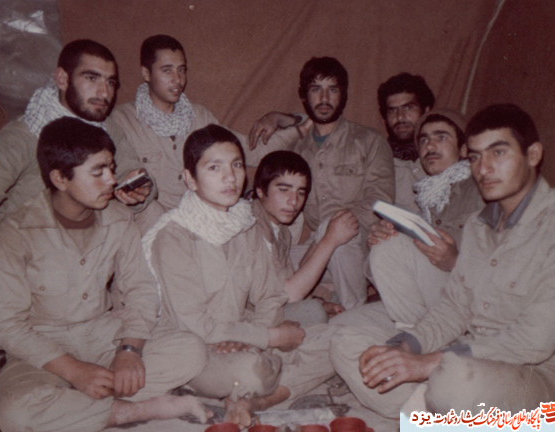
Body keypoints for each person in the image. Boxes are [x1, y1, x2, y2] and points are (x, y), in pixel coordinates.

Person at [330, 104, 555, 418]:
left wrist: (428, 363)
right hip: (480, 361)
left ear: (533, 155)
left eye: (498, 153)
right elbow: (453, 308)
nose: (484, 168)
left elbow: (533, 342)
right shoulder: (479, 225)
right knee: (349, 346)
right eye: (476, 157)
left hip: (550, 383)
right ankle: (438, 411)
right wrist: (405, 347)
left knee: (452, 380)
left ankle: (438, 408)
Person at [0, 39, 148, 432]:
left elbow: (134, 174)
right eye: (91, 78)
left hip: (83, 257)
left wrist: (138, 190)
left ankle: (94, 375)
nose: (103, 91)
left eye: (110, 81)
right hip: (21, 262)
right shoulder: (22, 136)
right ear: (61, 79)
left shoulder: (109, 131)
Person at [0, 117, 209, 432]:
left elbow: (141, 290)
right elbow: (4, 324)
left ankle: (77, 408)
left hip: (103, 338)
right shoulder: (18, 230)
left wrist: (130, 350)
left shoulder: (118, 218)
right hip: (42, 351)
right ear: (60, 178)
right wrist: (74, 371)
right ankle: (134, 410)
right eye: (98, 172)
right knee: (12, 413)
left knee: (190, 350)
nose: (112, 180)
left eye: (112, 169)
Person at [142, 125, 336, 427]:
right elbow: (195, 325)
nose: (230, 177)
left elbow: (269, 295)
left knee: (333, 337)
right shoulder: (174, 237)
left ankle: (247, 395)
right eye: (214, 167)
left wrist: (253, 340)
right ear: (190, 179)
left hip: (241, 334)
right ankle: (244, 387)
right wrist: (268, 337)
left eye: (236, 165)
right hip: (194, 345)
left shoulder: (244, 224)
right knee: (257, 372)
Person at [110, 34, 299, 225]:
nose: (177, 79)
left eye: (181, 70)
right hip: (155, 224)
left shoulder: (199, 117)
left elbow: (249, 150)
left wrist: (300, 127)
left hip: (202, 220)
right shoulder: (121, 121)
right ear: (146, 73)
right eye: (167, 70)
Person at [262, 57, 395, 309]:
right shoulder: (296, 150)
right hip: (318, 245)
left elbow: (381, 202)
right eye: (316, 89)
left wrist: (330, 229)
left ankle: (353, 314)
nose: (324, 98)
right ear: (305, 96)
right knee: (267, 259)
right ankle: (320, 304)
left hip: (362, 241)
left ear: (343, 95)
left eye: (332, 90)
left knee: (339, 239)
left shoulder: (369, 141)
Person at [364, 109, 484, 328]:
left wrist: (454, 261)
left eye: (441, 137)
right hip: (432, 300)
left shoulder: (482, 191)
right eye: (424, 140)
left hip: (472, 301)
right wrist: (380, 236)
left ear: (464, 149)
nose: (430, 146)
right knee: (343, 325)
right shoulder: (426, 197)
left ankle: (419, 340)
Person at [252, 150, 357, 324]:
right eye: (284, 190)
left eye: (301, 192)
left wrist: (320, 302)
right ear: (261, 190)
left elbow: (286, 280)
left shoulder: (281, 231)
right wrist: (330, 240)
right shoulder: (251, 226)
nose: (294, 201)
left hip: (269, 304)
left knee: (322, 305)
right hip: (246, 315)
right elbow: (289, 295)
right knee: (315, 312)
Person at [377, 73, 435, 213]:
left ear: (426, 111)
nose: (400, 117)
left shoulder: (442, 155)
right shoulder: (376, 161)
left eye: (408, 108)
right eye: (392, 110)